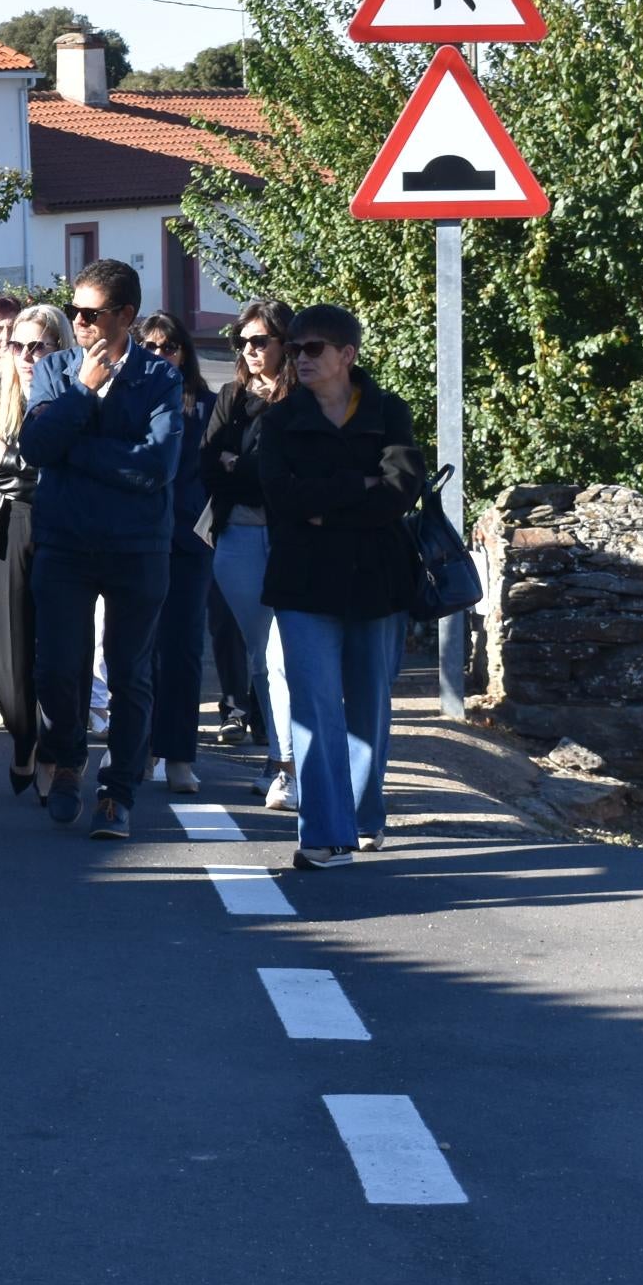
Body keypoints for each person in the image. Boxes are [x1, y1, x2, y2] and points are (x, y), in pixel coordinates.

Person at [252, 304, 426, 869]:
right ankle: (325, 834)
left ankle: (363, 813)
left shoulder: (388, 412)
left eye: (312, 349)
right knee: (314, 706)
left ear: (346, 355)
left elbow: (400, 490)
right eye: (294, 348)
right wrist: (358, 485)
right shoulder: (277, 422)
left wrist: (325, 503)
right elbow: (282, 498)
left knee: (369, 704)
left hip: (377, 580)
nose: (298, 358)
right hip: (303, 582)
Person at [20, 259, 183, 842]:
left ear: (125, 316)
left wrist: (77, 448)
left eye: (90, 313)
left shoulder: (159, 379)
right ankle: (66, 756)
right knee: (58, 666)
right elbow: (37, 447)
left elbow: (157, 467)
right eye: (74, 310)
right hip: (64, 541)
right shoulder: (57, 369)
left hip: (137, 546)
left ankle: (118, 793)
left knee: (129, 671)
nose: (79, 321)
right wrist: (83, 394)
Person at [201, 302, 298, 808]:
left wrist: (243, 466)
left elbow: (284, 473)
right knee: (261, 658)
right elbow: (207, 463)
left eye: (261, 340)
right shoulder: (231, 396)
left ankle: (289, 766)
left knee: (284, 658)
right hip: (236, 537)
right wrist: (246, 469)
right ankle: (279, 754)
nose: (250, 350)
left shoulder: (300, 399)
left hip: (288, 541)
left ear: (284, 342)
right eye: (243, 341)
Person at [0, 308, 60, 794]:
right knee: (5, 662)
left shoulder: (68, 395)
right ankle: (24, 736)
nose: (28, 356)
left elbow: (70, 461)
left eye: (40, 346)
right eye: (18, 346)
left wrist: (8, 458)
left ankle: (54, 753)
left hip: (59, 527)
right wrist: (30, 476)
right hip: (1, 525)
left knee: (58, 650)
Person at [139, 311, 218, 795]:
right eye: (149, 347)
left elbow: (215, 471)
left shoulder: (207, 406)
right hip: (139, 539)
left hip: (189, 542)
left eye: (169, 347)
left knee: (184, 651)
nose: (160, 355)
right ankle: (141, 748)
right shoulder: (128, 399)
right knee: (138, 649)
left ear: (184, 353)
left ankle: (180, 756)